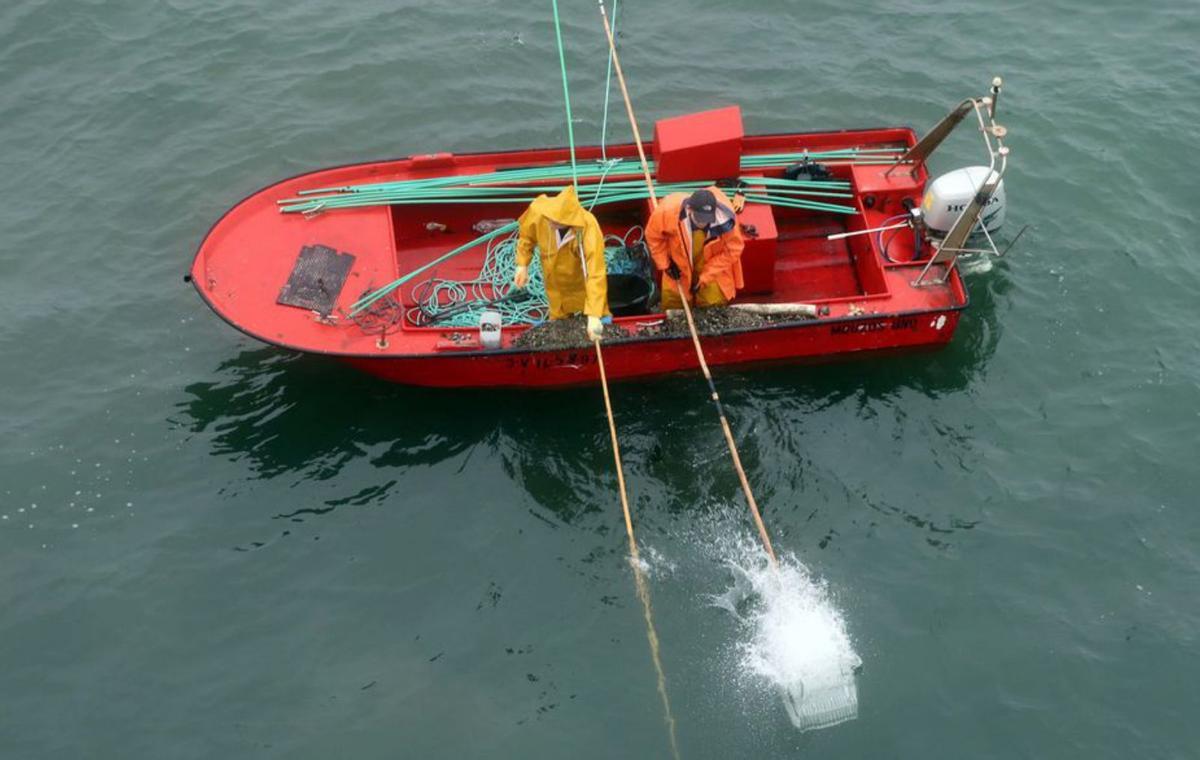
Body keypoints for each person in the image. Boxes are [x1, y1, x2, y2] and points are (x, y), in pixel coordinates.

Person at [513, 185, 608, 341]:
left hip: (579, 283)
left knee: (594, 320)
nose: (550, 222)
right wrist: (522, 265)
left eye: (557, 221)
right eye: (550, 218)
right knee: (558, 319)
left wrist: (594, 314)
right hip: (554, 285)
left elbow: (595, 272)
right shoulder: (540, 213)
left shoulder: (588, 226)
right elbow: (526, 238)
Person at [645, 186, 744, 311]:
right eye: (699, 219)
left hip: (713, 265)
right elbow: (653, 236)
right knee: (674, 303)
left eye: (707, 219)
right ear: (690, 209)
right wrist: (666, 264)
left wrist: (705, 277)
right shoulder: (666, 211)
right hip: (679, 263)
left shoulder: (726, 219)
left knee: (713, 304)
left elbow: (734, 249)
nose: (703, 224)